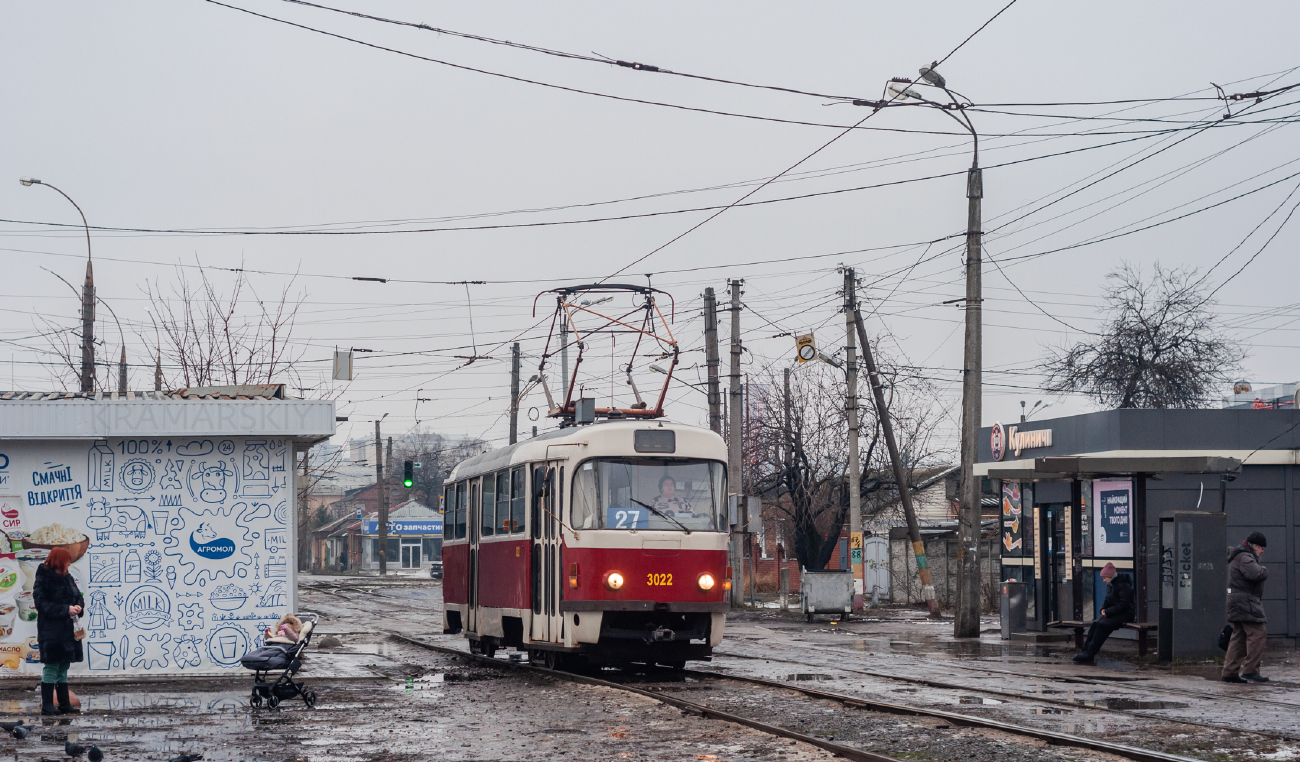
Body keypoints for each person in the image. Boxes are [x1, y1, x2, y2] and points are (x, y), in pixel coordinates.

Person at [32, 547, 84, 715]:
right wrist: (65, 609)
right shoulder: (43, 578)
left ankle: (64, 704)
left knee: (63, 666)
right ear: (60, 561)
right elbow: (42, 604)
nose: (69, 564)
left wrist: (78, 606)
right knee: (51, 666)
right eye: (67, 561)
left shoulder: (67, 576)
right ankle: (47, 705)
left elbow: (78, 595)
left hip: (67, 631)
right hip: (52, 631)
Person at [1223, 532, 1269, 684]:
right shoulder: (1245, 557)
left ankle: (1230, 672)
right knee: (1258, 633)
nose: (1262, 551)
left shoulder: (1242, 555)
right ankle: (1250, 671)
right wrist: (1264, 570)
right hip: (1245, 602)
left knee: (1239, 636)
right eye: (1261, 548)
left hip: (1238, 601)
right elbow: (1255, 574)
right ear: (1255, 546)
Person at [1072, 562, 1134, 664]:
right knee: (1095, 623)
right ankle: (1086, 651)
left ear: (1110, 576)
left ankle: (1090, 652)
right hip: (1115, 614)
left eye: (1105, 577)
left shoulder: (1123, 586)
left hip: (1126, 614)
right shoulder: (1111, 586)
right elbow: (1107, 601)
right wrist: (1103, 609)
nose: (1103, 580)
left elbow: (1124, 604)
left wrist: (1108, 612)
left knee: (1102, 625)